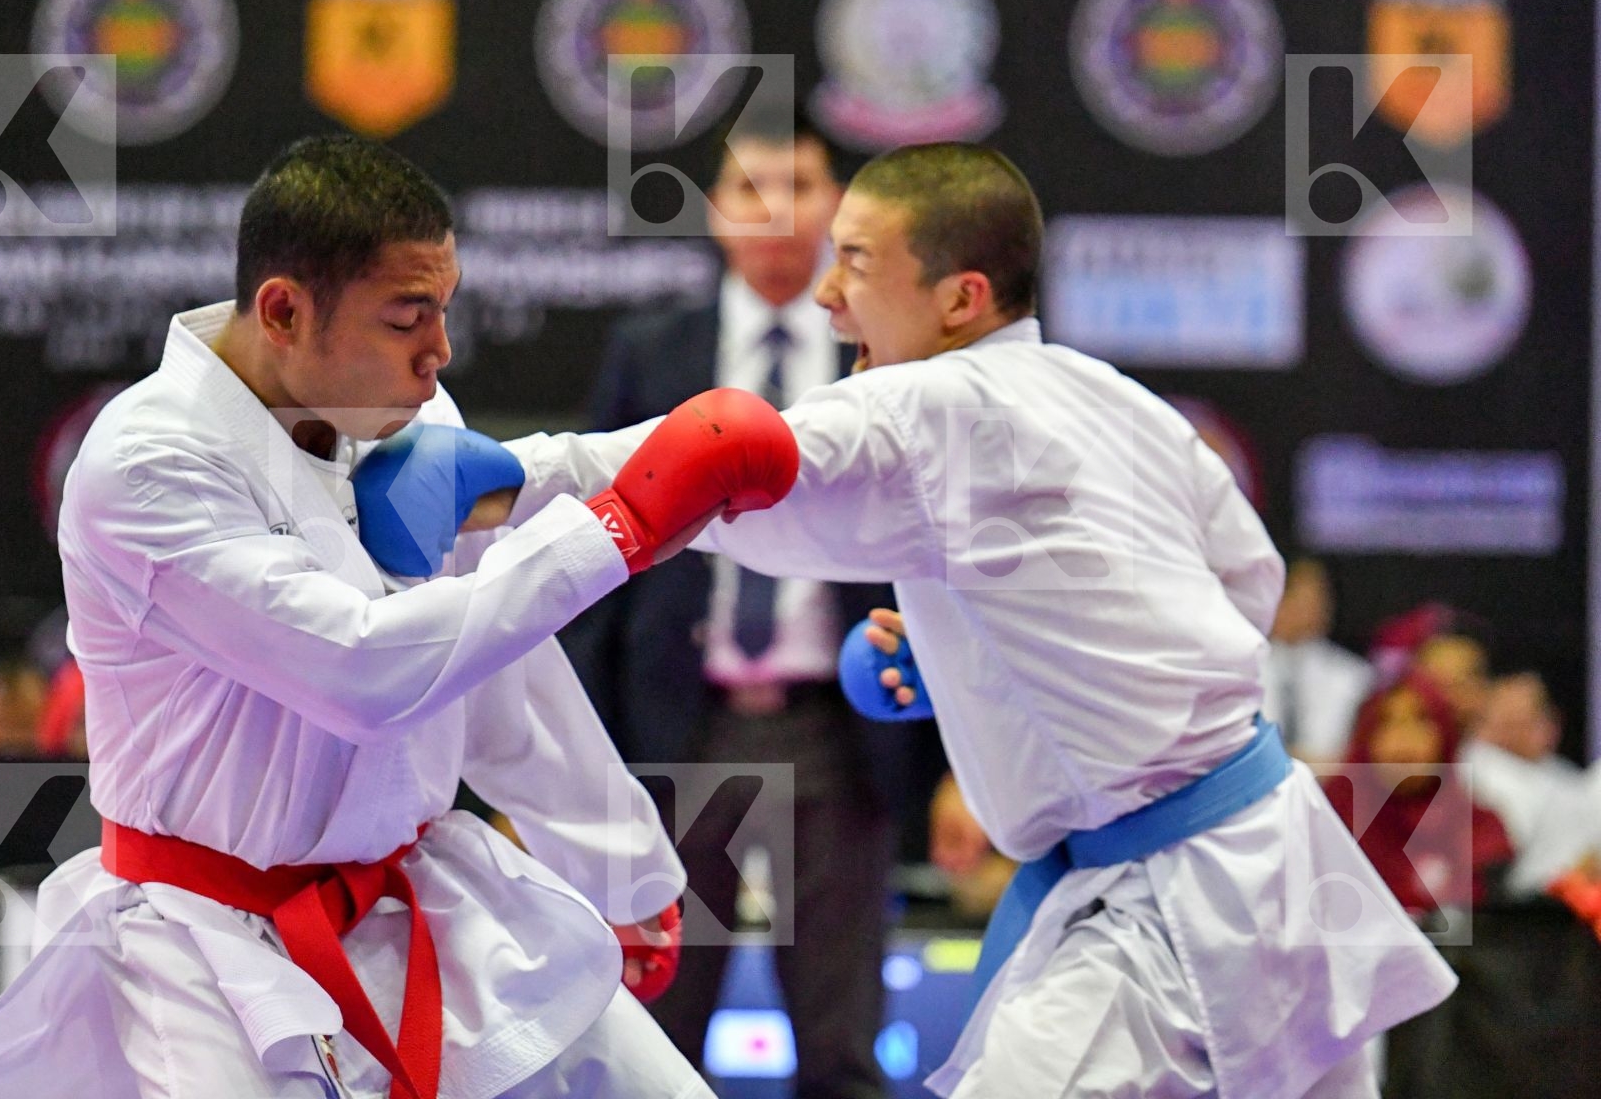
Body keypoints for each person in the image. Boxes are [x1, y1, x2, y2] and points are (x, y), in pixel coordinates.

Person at [496, 142, 1456, 1098]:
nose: (829, 296)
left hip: (1167, 913)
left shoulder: (928, 406)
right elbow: (1245, 578)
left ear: (959, 299)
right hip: (1274, 860)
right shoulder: (1113, 396)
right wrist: (994, 653)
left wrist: (495, 478)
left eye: (859, 263)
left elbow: (727, 459)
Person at [0, 135, 796, 1099]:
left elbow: (494, 664)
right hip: (205, 946)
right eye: (407, 318)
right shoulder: (149, 464)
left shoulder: (402, 415)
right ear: (284, 311)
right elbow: (363, 671)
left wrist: (621, 870)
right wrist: (616, 530)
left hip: (422, 895)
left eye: (444, 310)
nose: (439, 351)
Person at [560, 109, 920, 1099]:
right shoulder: (654, 350)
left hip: (838, 730)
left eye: (798, 186)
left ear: (839, 207)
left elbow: (928, 547)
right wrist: (580, 760)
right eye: (748, 190)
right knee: (654, 1037)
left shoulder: (890, 355)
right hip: (683, 727)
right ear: (716, 213)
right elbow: (593, 560)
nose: (773, 213)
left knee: (843, 1042)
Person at [1328, 671, 1513, 917]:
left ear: (1446, 737)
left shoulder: (1481, 833)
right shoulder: (1329, 822)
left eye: (1421, 721)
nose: (1404, 738)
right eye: (1386, 722)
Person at [1463, 672, 1601, 897]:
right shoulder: (1477, 768)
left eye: (1526, 721)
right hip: (1524, 906)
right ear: (1484, 723)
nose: (1515, 732)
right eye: (1508, 722)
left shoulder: (1560, 771)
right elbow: (1500, 855)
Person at [1261, 559, 1373, 763]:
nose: (1309, 608)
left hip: (1331, 785)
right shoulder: (1243, 670)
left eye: (1318, 598)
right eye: (1296, 596)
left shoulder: (1355, 675)